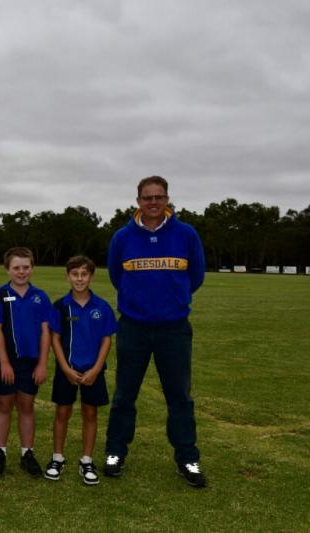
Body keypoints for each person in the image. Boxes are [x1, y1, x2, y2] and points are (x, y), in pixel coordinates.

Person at [104, 175, 207, 488]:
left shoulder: (186, 233)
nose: (152, 203)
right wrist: (139, 304)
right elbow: (115, 276)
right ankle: (115, 452)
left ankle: (187, 457)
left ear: (167, 200)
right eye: (147, 198)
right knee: (124, 395)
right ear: (138, 201)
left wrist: (171, 302)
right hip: (133, 327)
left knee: (180, 397)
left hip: (174, 329)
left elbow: (197, 275)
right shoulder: (122, 237)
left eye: (158, 197)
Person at [45, 256, 117, 485]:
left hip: (92, 372)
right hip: (67, 371)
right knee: (62, 413)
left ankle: (86, 460)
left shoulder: (102, 306)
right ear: (68, 276)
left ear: (91, 277)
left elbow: (107, 340)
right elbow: (54, 339)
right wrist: (65, 368)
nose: (79, 279)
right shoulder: (60, 305)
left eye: (84, 274)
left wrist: (96, 369)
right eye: (75, 274)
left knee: (90, 413)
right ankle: (57, 458)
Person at [0, 247, 52, 479]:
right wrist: (4, 362)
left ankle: (27, 453)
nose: (21, 272)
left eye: (26, 267)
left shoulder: (40, 297)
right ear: (7, 269)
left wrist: (42, 363)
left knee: (26, 405)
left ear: (32, 268)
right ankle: (0, 452)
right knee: (4, 404)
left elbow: (45, 332)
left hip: (31, 361)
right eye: (16, 267)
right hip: (6, 361)